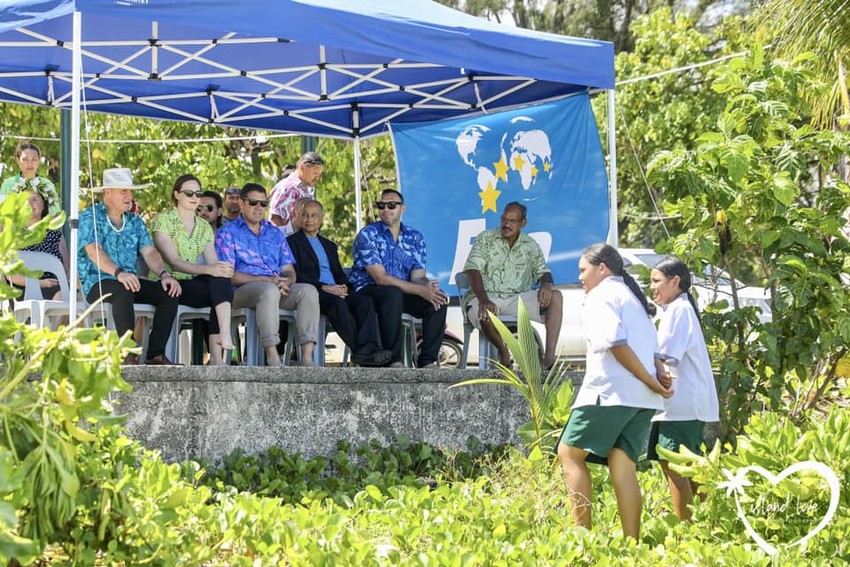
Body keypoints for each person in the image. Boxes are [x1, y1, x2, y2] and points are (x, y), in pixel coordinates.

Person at [557, 243, 672, 539]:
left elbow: (616, 344)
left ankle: (582, 540)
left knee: (569, 453)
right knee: (622, 464)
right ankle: (631, 544)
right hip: (642, 400)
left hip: (611, 392)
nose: (580, 277)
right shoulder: (633, 298)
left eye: (583, 270)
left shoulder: (602, 295)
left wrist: (651, 378)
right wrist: (655, 377)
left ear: (602, 268)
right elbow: (653, 352)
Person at [78, 168, 181, 365]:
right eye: (123, 191)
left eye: (130, 191)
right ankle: (127, 352)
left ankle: (155, 355)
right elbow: (94, 252)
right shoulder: (89, 217)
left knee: (169, 291)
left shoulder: (134, 221)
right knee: (123, 289)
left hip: (128, 280)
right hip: (97, 281)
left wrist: (164, 274)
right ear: (107, 192)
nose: (129, 196)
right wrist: (119, 273)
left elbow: (150, 252)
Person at [215, 183, 320, 366]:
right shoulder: (227, 233)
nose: (258, 208)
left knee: (308, 291)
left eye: (263, 204)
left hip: (275, 287)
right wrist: (265, 280)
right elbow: (228, 274)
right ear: (241, 203)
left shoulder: (274, 233)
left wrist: (286, 282)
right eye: (253, 202)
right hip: (241, 290)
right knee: (268, 290)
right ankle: (272, 355)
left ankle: (307, 357)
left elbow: (288, 269)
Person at [648, 256, 719, 521]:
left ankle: (687, 530)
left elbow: (665, 357)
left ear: (675, 281)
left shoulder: (678, 309)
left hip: (681, 405)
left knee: (676, 466)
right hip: (683, 405)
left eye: (656, 281)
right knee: (687, 466)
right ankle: (708, 522)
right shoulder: (678, 308)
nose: (652, 287)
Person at [349, 189, 448, 368]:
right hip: (368, 290)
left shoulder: (415, 237)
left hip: (401, 291)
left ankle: (428, 360)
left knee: (439, 299)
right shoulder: (368, 235)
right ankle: (394, 359)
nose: (385, 209)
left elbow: (417, 277)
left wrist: (428, 287)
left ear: (402, 208)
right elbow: (380, 278)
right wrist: (420, 290)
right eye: (381, 205)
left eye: (391, 205)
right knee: (392, 294)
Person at [287, 200, 392, 367]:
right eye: (305, 215)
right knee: (337, 304)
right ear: (299, 217)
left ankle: (368, 349)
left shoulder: (329, 245)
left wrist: (344, 288)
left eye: (314, 216)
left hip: (335, 290)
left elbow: (339, 274)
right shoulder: (291, 242)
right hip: (314, 291)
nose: (309, 219)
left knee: (364, 302)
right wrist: (324, 287)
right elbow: (295, 274)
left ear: (321, 218)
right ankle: (362, 353)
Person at [461, 202, 563, 369]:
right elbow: (473, 270)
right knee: (485, 311)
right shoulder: (485, 238)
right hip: (488, 295)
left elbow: (543, 271)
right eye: (504, 219)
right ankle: (504, 353)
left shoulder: (530, 245)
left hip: (517, 298)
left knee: (556, 296)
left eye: (512, 221)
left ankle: (549, 358)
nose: (506, 224)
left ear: (523, 223)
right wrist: (484, 299)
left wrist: (546, 284)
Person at [151, 175, 236, 365]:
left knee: (220, 282)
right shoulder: (163, 221)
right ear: (176, 195)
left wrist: (222, 270)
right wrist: (209, 269)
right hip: (169, 283)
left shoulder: (204, 227)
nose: (194, 197)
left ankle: (217, 351)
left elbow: (212, 262)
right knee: (217, 285)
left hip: (193, 283)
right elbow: (173, 262)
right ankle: (219, 347)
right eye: (189, 193)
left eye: (198, 193)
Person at [9, 189, 69, 299]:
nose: (29, 204)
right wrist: (41, 283)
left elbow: (67, 268)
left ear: (43, 205)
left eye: (35, 199)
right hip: (25, 289)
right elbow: (10, 275)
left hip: (57, 285)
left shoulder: (55, 234)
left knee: (77, 298)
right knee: (62, 298)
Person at [269, 152, 324, 235]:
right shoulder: (290, 187)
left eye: (319, 174)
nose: (317, 177)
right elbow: (276, 219)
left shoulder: (300, 187)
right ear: (302, 167)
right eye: (315, 173)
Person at [0, 142, 60, 215]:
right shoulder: (8, 184)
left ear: (39, 161)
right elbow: (3, 215)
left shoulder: (47, 185)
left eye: (34, 159)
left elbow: (55, 215)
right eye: (25, 159)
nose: (30, 164)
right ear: (18, 160)